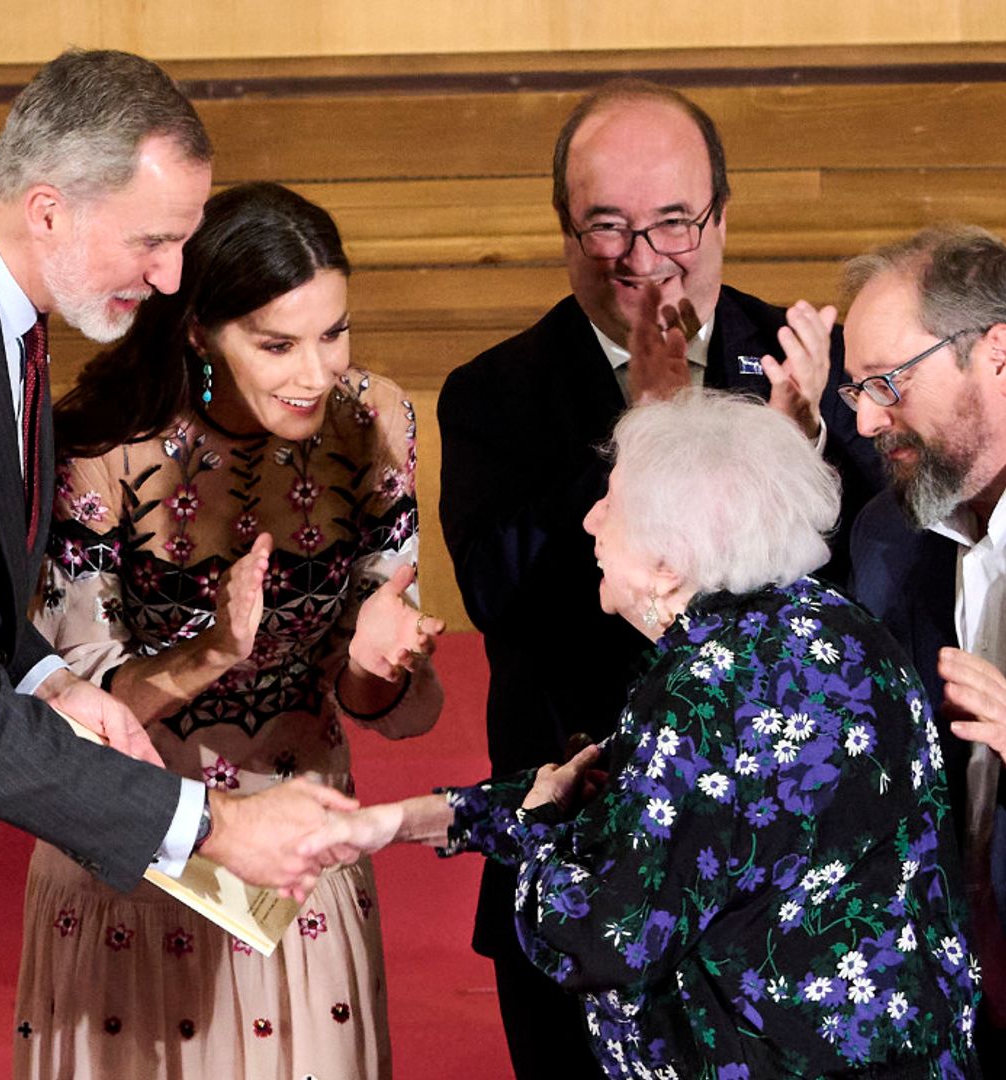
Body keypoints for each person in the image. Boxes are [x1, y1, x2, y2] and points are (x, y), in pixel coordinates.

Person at [310, 391, 978, 1078]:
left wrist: (538, 832)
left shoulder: (703, 691)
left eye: (612, 501)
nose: (591, 519)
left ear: (669, 563)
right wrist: (413, 821)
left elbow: (602, 938)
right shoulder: (833, 625)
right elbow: (631, 804)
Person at [436, 78, 884, 1076]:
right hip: (587, 878)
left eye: (675, 221)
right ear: (564, 229)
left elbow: (875, 598)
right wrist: (641, 431)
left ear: (722, 215)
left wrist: (805, 452)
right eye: (607, 225)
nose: (642, 258)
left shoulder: (817, 365)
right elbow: (502, 597)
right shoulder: (493, 394)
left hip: (789, 890)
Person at [13, 181, 443, 1079]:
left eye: (334, 333)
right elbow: (75, 711)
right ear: (200, 333)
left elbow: (379, 699)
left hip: (300, 865)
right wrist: (210, 653)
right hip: (140, 858)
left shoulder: (374, 422)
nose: (317, 372)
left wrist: (379, 664)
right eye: (278, 344)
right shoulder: (102, 446)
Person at [0, 50, 355, 939]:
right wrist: (214, 825)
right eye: (151, 241)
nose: (170, 278)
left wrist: (48, 678)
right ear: (48, 210)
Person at [843, 224, 1006, 1068]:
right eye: (855, 389)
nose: (868, 418)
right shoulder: (886, 536)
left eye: (889, 382)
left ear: (997, 354)